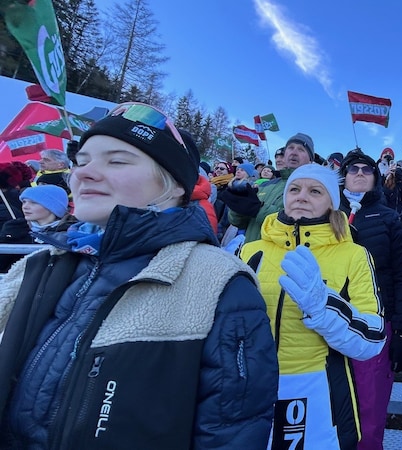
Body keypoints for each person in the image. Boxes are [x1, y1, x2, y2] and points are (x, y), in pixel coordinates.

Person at [0, 102, 278, 448]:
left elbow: (230, 433)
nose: (83, 174)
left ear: (175, 185)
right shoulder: (37, 266)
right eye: (81, 161)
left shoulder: (217, 284)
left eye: (116, 160)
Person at [239, 163, 385, 450]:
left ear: (332, 203)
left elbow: (372, 338)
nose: (301, 196)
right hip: (249, 385)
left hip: (314, 389)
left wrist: (324, 306)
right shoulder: (250, 250)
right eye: (294, 189)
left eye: (315, 191)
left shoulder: (353, 254)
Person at [338, 150, 402, 450]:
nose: (359, 173)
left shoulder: (389, 218)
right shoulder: (326, 211)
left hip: (376, 325)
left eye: (366, 170)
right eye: (352, 168)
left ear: (375, 178)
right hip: (329, 323)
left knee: (369, 411)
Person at [226, 133, 314, 243]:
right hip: (248, 254)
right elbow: (240, 223)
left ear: (310, 160)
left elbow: (297, 224)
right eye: (290, 148)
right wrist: (238, 206)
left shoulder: (314, 189)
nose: (294, 152)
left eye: (301, 149)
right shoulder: (265, 185)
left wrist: (258, 209)